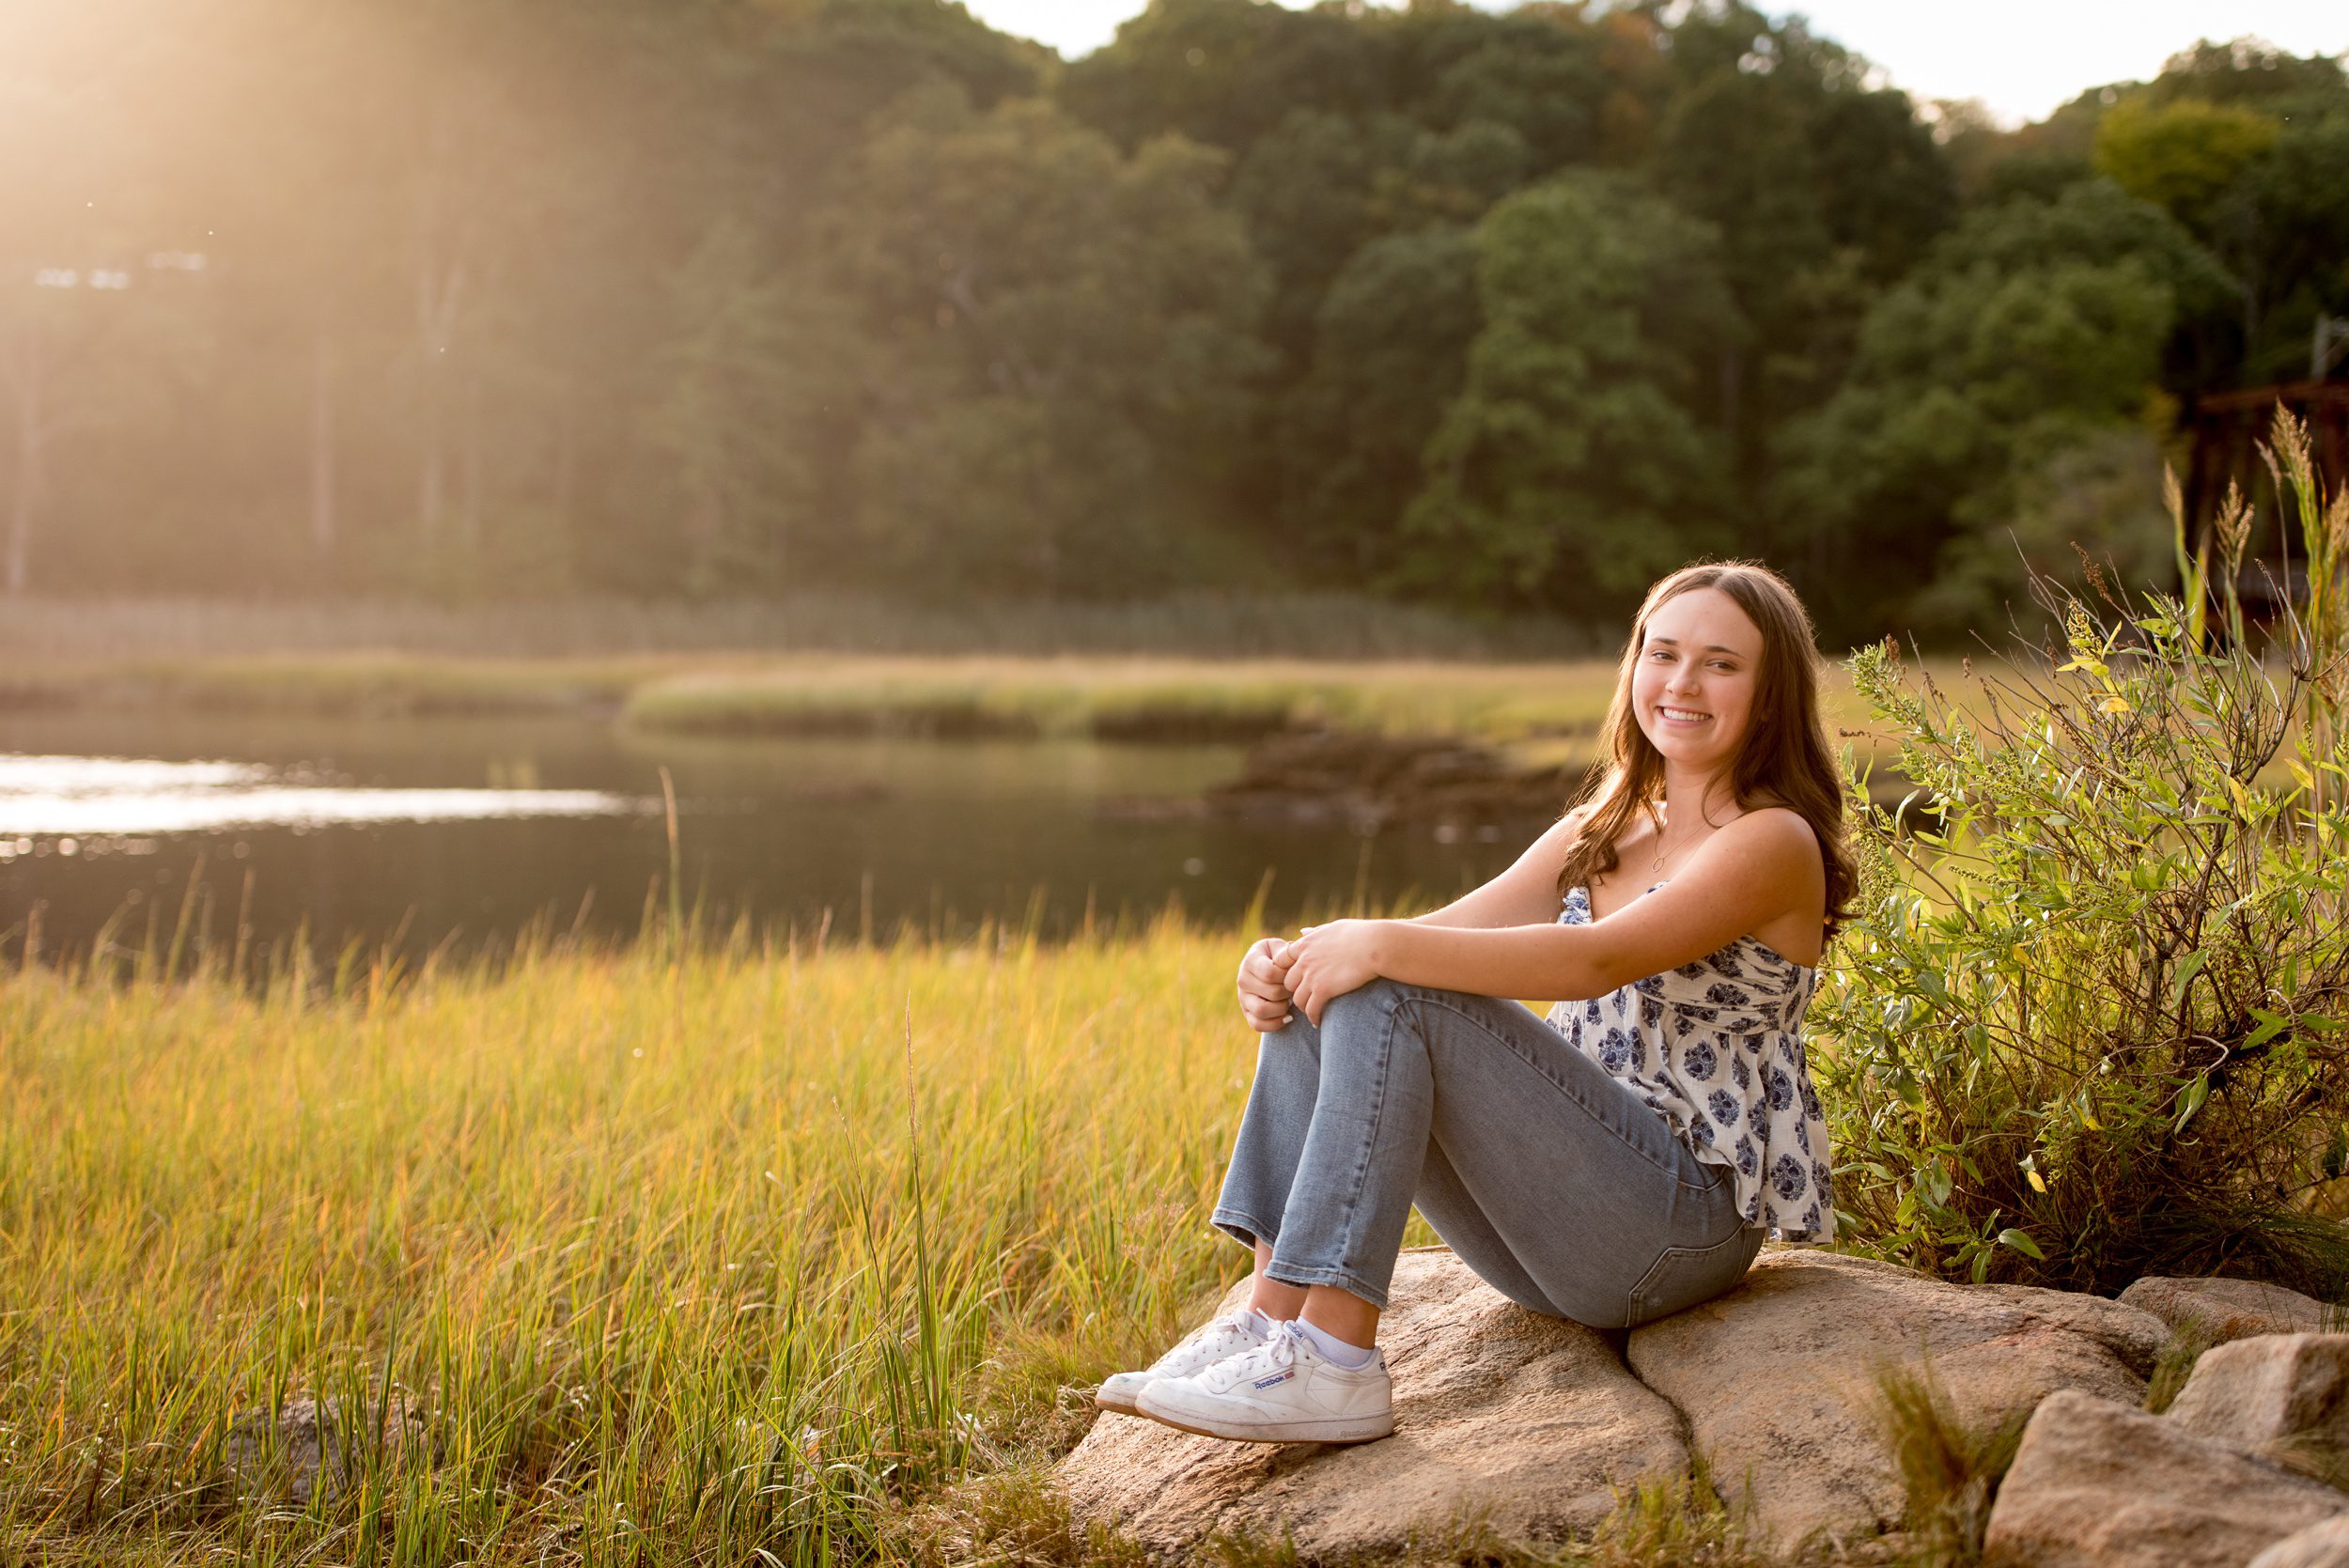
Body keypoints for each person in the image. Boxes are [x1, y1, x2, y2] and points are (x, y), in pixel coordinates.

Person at [1095, 561, 1856, 1445]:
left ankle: (1334, 1364)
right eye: (1664, 653)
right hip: (1557, 1234)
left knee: (1387, 978)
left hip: (1678, 1227)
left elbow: (1594, 959)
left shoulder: (1772, 840)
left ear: (1770, 695)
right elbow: (1443, 931)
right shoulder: (1606, 822)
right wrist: (1291, 963)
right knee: (1344, 987)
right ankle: (1271, 1322)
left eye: (1721, 663)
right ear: (1634, 667)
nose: (1682, 682)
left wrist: (1371, 947)